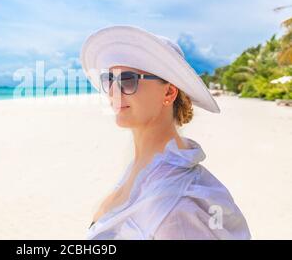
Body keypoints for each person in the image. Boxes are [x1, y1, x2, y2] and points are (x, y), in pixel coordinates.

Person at [80, 25, 251, 239]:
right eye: (109, 79)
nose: (113, 91)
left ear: (169, 92)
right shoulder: (141, 167)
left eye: (127, 80)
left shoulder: (177, 208)